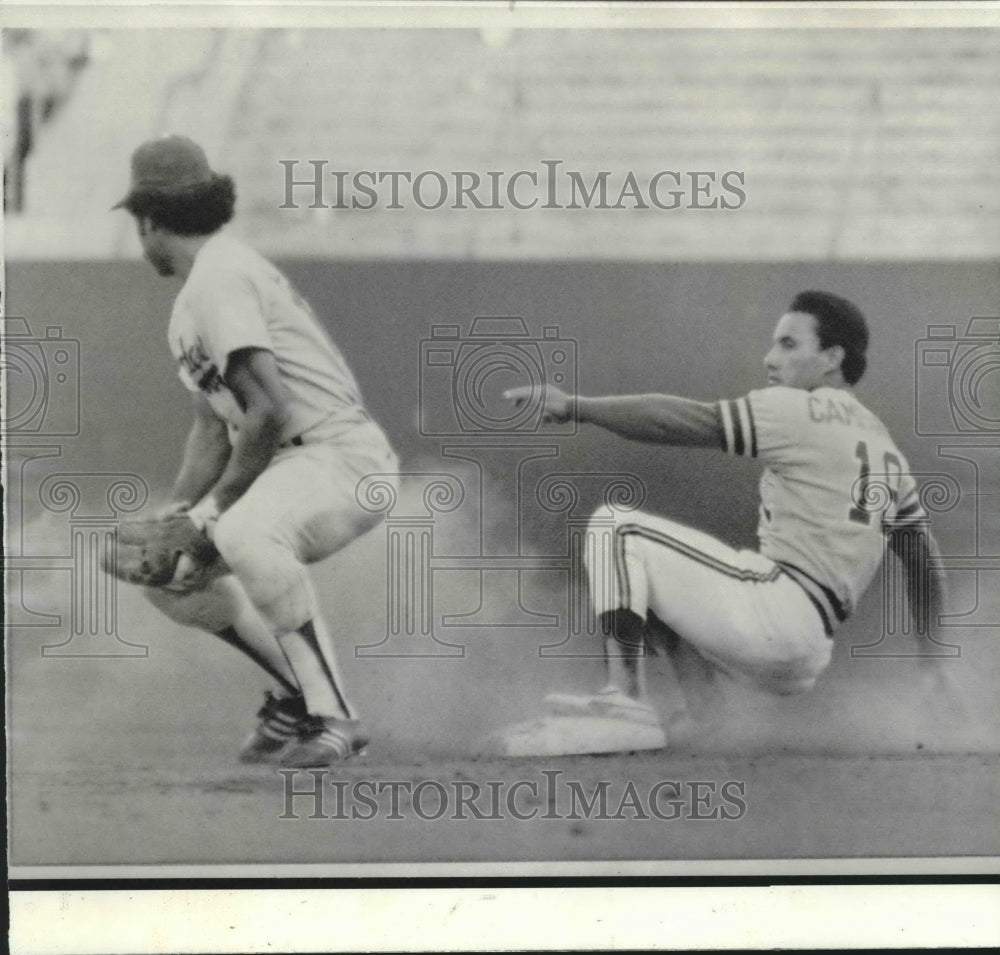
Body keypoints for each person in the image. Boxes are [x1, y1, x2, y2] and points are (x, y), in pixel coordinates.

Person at [505, 291, 948, 751]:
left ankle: (626, 702)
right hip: (809, 649)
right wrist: (934, 663)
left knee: (617, 528)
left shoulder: (797, 407)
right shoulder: (884, 447)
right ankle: (705, 712)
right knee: (643, 576)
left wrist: (575, 406)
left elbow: (679, 420)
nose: (770, 358)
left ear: (832, 358)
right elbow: (923, 559)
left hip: (777, 610)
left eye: (789, 344)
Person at [113, 135, 398, 767]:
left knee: (240, 531)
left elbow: (270, 409)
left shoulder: (220, 279)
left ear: (149, 219)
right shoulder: (199, 292)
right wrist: (177, 513)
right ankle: (304, 695)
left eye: (140, 223)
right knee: (168, 578)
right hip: (299, 463)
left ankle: (336, 718)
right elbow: (213, 428)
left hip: (341, 458)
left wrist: (209, 515)